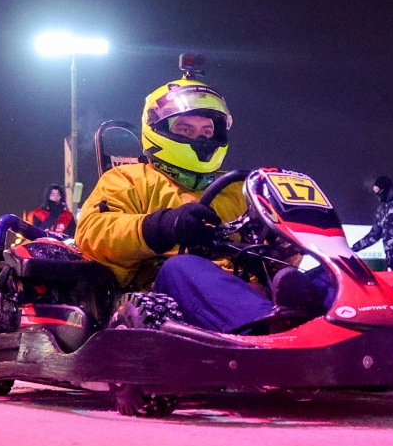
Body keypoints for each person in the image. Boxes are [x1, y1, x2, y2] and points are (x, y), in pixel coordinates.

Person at [76, 77, 328, 333]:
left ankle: (347, 324)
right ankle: (268, 331)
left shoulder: (238, 187)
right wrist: (163, 226)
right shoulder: (129, 178)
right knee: (183, 266)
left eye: (207, 131)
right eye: (185, 129)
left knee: (329, 276)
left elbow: (272, 254)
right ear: (158, 129)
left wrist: (281, 247)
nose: (200, 138)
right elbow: (92, 232)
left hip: (244, 288)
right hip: (165, 296)